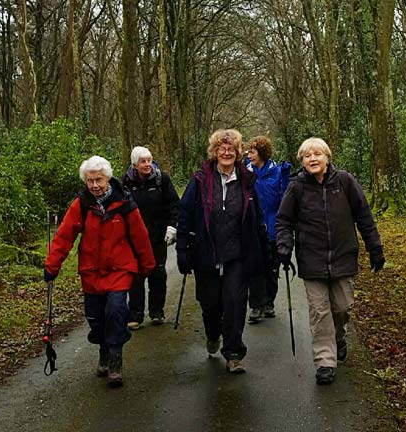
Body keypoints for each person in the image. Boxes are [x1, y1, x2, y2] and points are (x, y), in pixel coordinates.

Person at [275, 137, 385, 385]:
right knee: (319, 312)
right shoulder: (297, 187)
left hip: (343, 257)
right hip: (311, 261)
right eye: (307, 156)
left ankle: (339, 337)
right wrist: (283, 247)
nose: (312, 159)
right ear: (302, 161)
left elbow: (364, 216)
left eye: (317, 154)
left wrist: (375, 248)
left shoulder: (345, 182)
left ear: (327, 157)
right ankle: (325, 361)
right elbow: (283, 221)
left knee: (342, 308)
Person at [44, 156, 155, 387]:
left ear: (108, 178)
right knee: (95, 316)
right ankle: (104, 350)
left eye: (99, 180)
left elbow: (140, 235)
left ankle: (115, 360)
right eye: (90, 181)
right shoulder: (82, 203)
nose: (95, 185)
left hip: (119, 268)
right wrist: (52, 265)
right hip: (91, 271)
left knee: (116, 310)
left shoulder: (124, 202)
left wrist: (147, 266)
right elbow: (64, 235)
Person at [176, 128, 269, 374]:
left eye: (231, 149)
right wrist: (183, 249)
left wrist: (264, 250)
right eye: (222, 148)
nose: (226, 152)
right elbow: (184, 214)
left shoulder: (247, 182)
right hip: (207, 253)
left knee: (236, 303)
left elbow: (256, 217)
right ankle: (212, 332)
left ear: (238, 153)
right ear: (214, 152)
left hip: (237, 254)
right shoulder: (200, 180)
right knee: (210, 305)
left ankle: (234, 353)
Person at [121, 146, 180, 329]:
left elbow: (174, 205)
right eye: (143, 161)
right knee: (136, 276)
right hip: (134, 238)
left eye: (149, 160)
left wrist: (172, 226)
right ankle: (135, 316)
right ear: (134, 164)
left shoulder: (162, 179)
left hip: (157, 236)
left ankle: (157, 312)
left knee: (157, 273)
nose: (147, 165)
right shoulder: (125, 182)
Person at [245, 135, 291, 323]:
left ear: (262, 153)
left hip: (273, 228)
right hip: (252, 229)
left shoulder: (277, 172)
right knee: (254, 268)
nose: (249, 155)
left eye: (253, 151)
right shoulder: (245, 173)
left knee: (272, 269)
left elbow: (286, 198)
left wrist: (286, 178)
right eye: (248, 151)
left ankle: (269, 302)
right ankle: (256, 305)